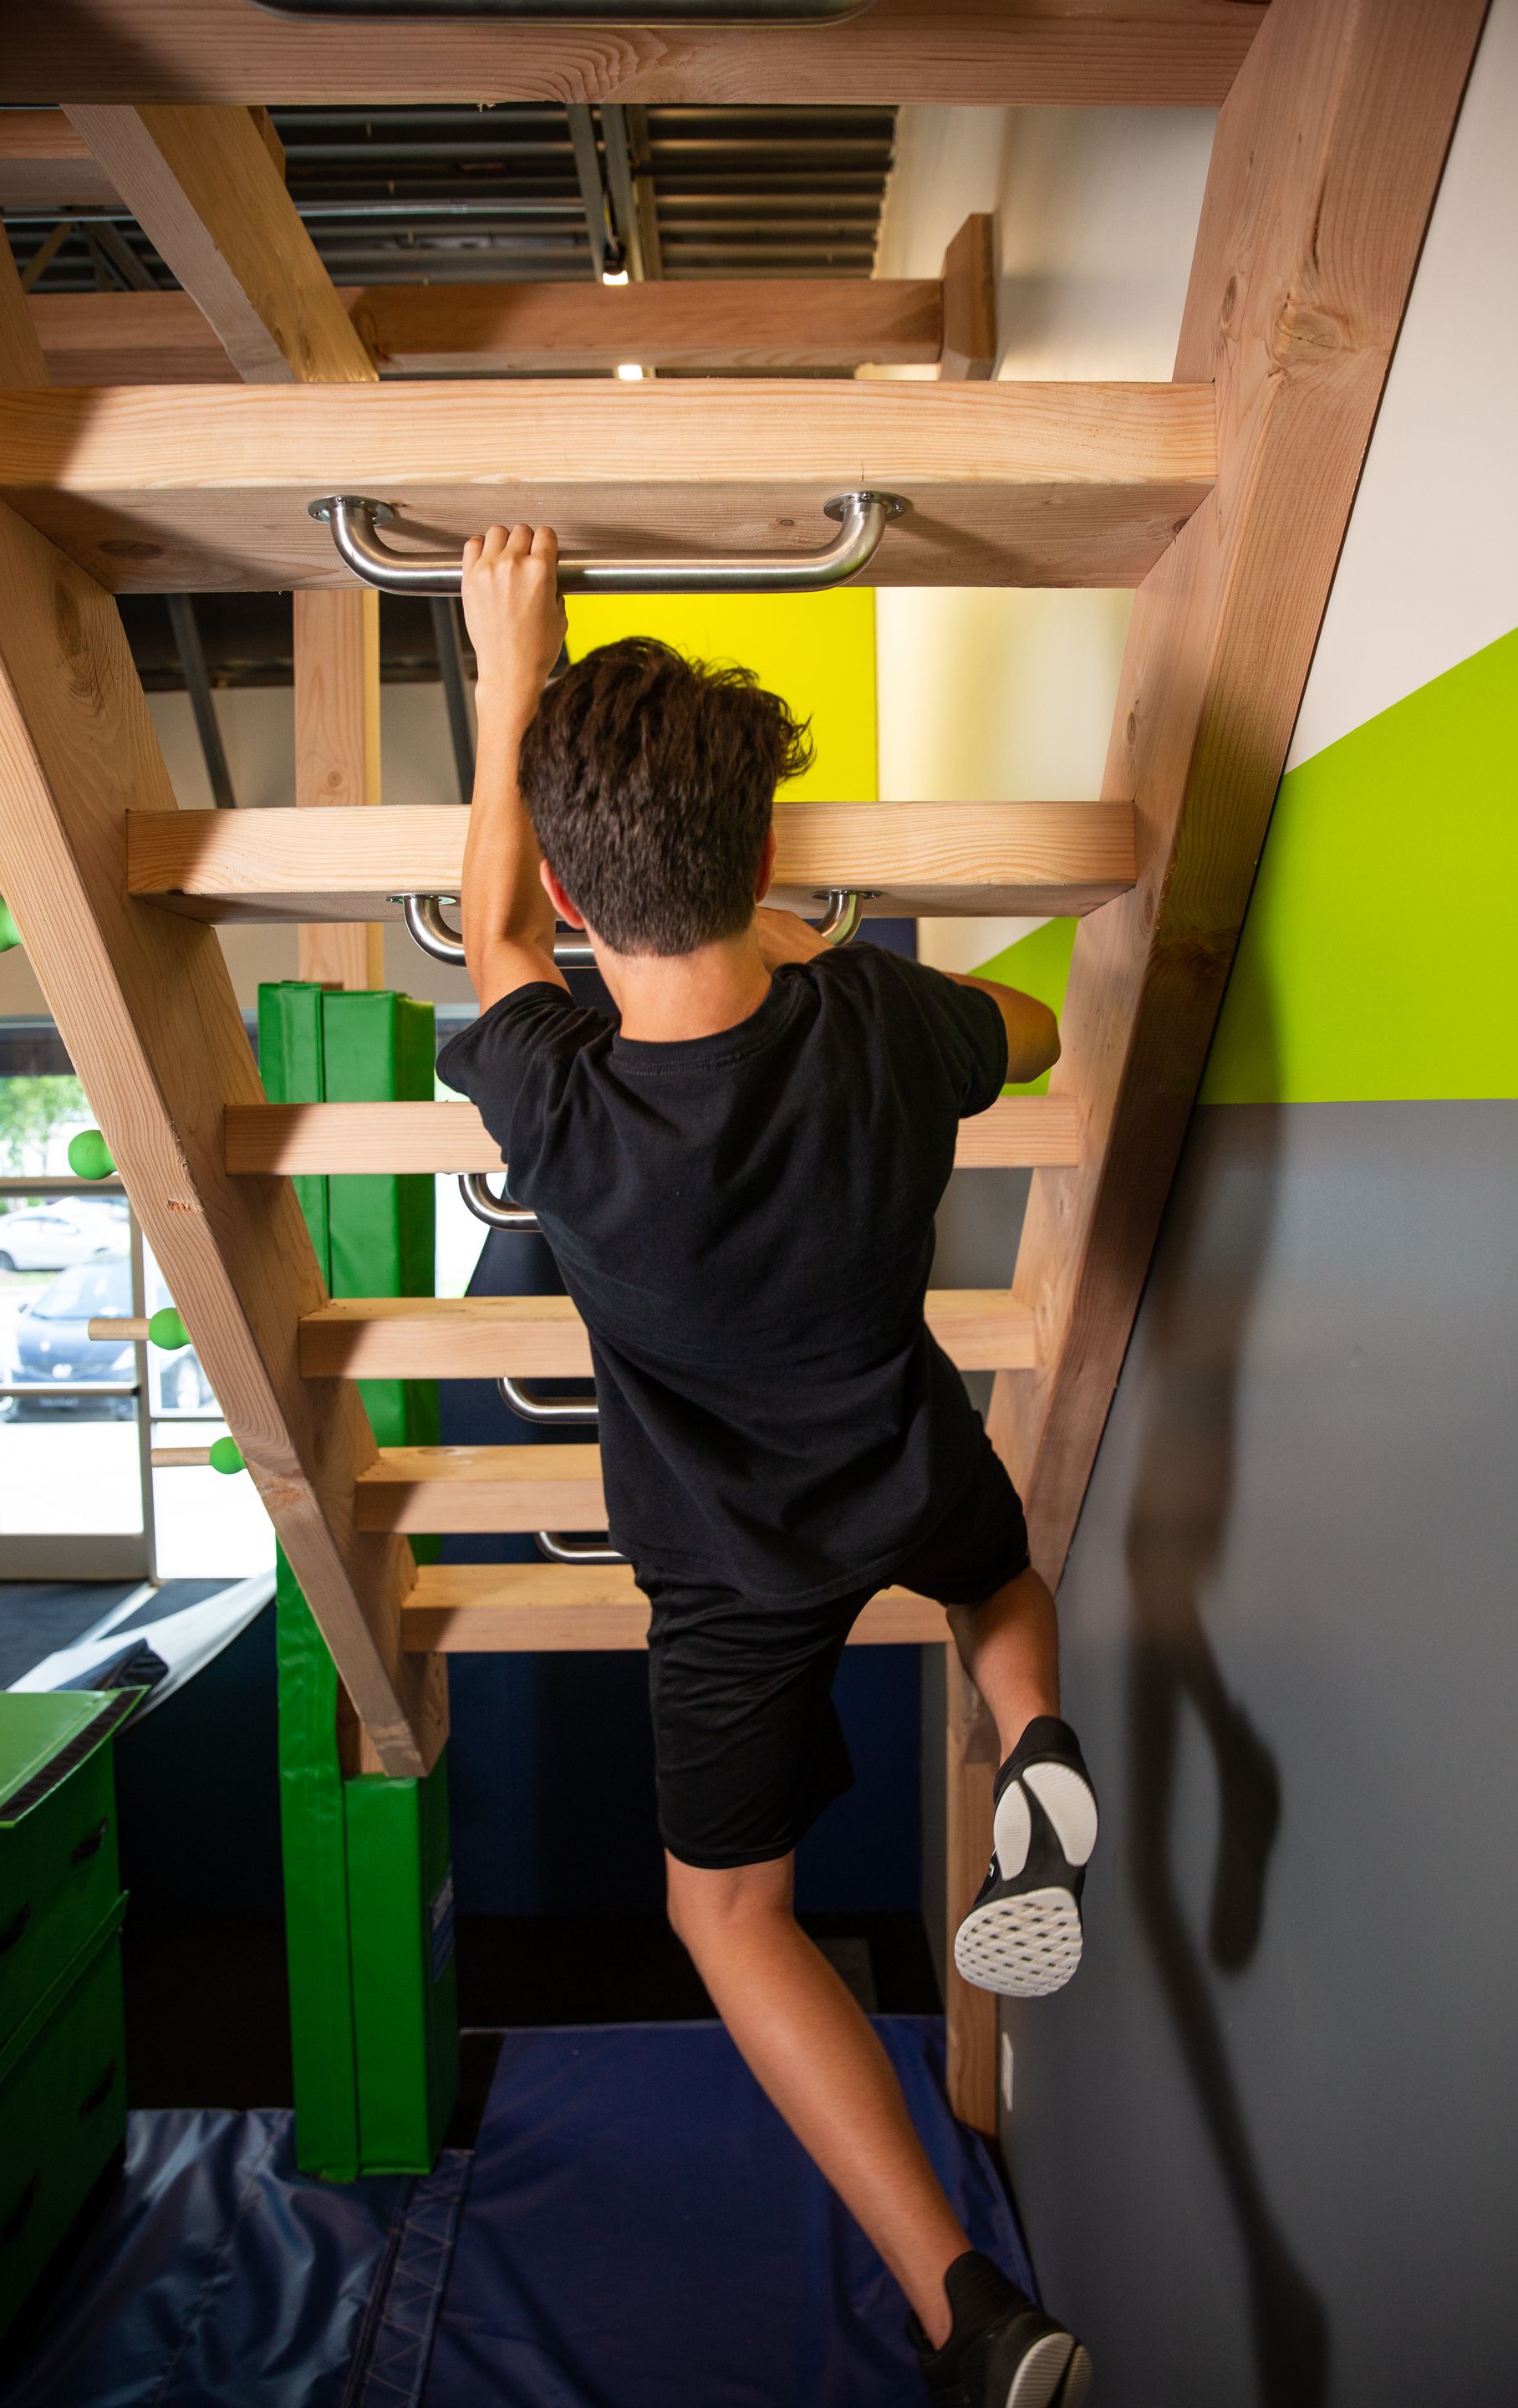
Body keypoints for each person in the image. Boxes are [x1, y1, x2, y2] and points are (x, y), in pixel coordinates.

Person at [438, 524, 1098, 2408]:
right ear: (776, 863)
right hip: (904, 1459)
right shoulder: (880, 1027)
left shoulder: (555, 1095)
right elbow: (1037, 1032)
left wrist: (510, 675)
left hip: (728, 1564)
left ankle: (966, 2308)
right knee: (1000, 1576)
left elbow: (487, 940)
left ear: (572, 896)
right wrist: (824, 949)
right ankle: (1037, 1737)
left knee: (728, 1912)